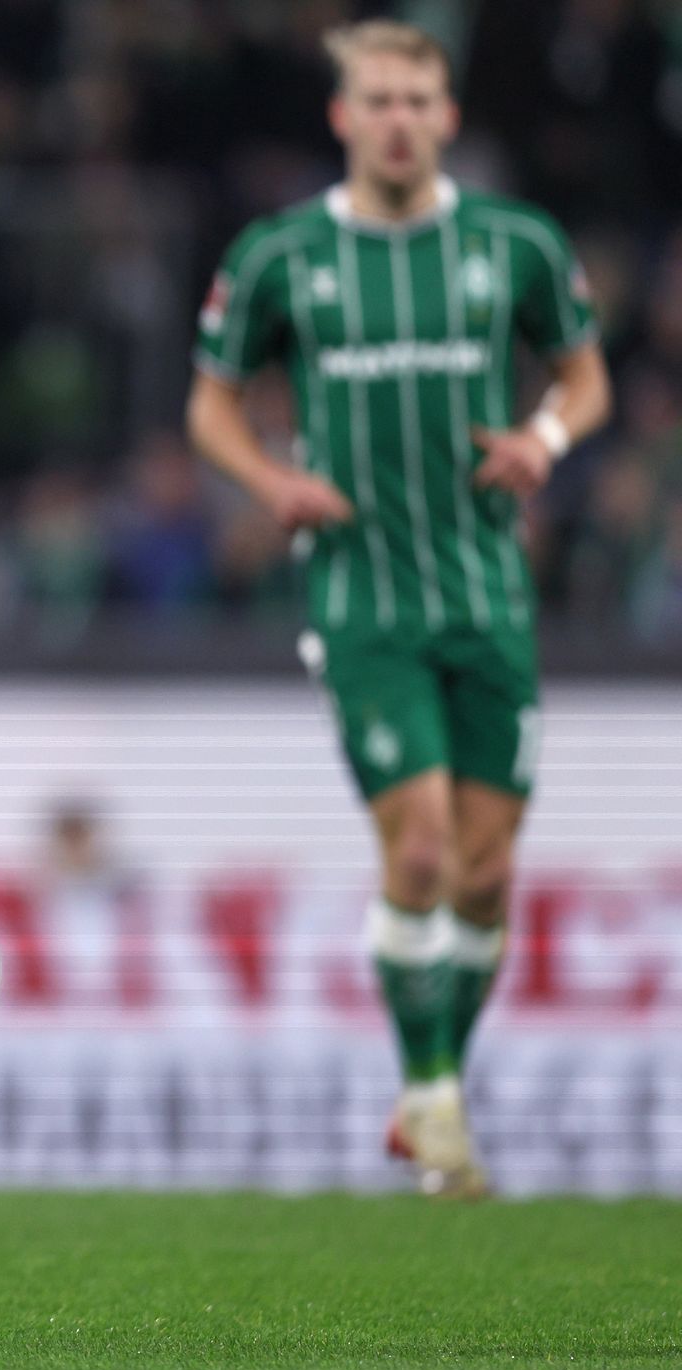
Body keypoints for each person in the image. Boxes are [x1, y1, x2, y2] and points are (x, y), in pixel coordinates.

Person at [186, 22, 610, 1197]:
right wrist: (271, 479)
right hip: (361, 595)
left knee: (484, 876)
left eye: (417, 100)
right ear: (341, 117)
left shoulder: (513, 244)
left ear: (448, 116)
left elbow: (583, 377)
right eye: (376, 99)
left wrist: (543, 438)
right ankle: (431, 1102)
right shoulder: (280, 256)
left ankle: (434, 1089)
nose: (397, 120)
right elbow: (209, 405)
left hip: (486, 593)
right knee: (418, 849)